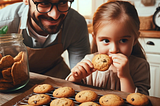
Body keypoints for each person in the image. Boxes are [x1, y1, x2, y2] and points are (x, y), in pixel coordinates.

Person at [66, 1, 150, 95]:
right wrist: (75, 77)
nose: (114, 49)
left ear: (135, 39)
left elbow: (139, 100)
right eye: (106, 41)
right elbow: (69, 91)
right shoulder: (88, 60)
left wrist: (125, 76)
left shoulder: (140, 67)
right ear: (95, 39)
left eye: (123, 40)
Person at [0, 0, 90, 79]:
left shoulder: (76, 24)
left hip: (57, 76)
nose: (55, 15)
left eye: (62, 2)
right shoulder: (3, 21)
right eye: (44, 3)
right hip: (14, 81)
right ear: (26, 0)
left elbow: (82, 74)